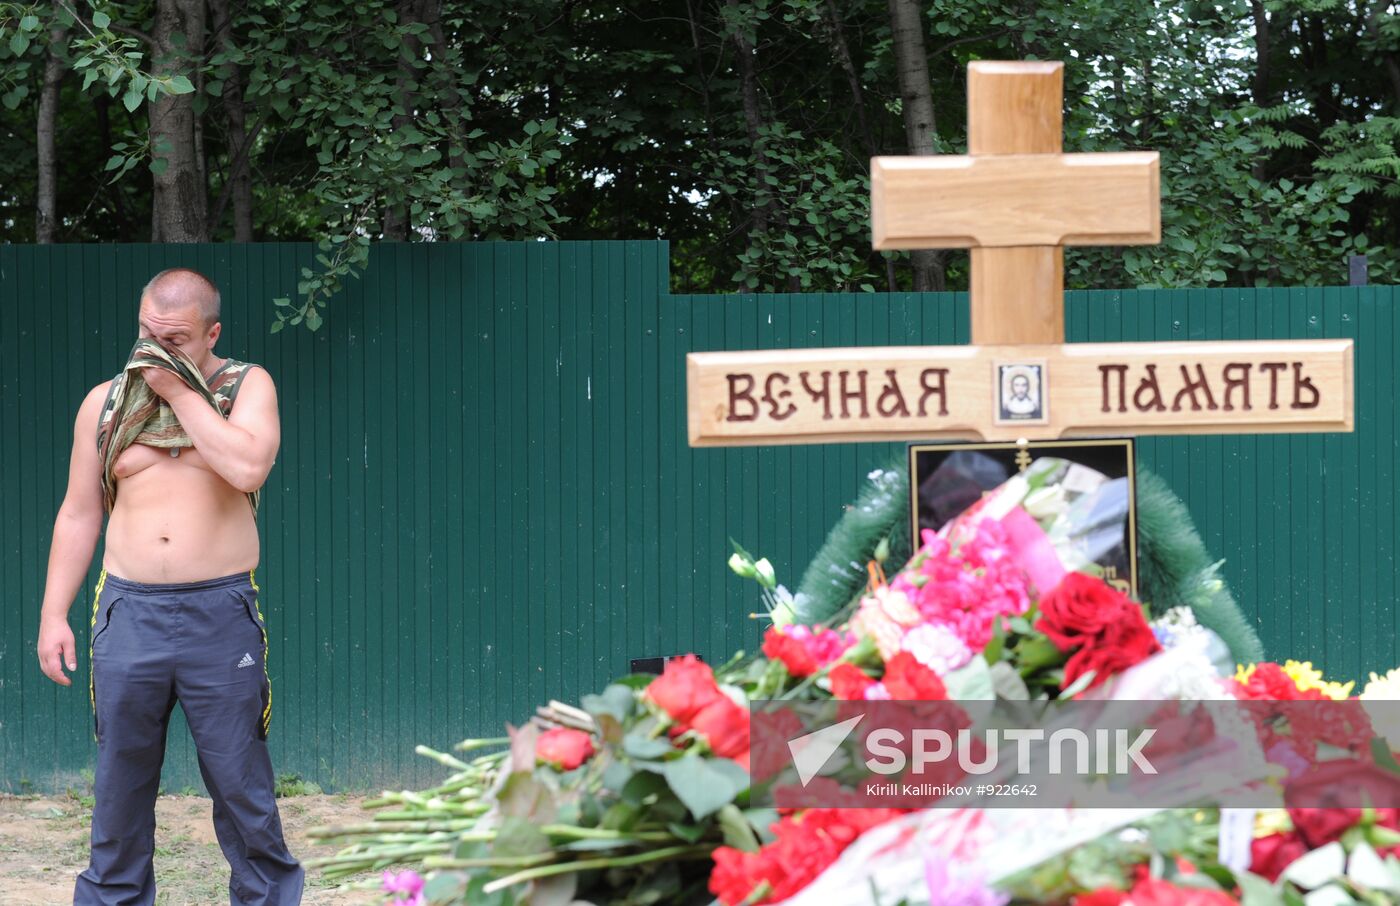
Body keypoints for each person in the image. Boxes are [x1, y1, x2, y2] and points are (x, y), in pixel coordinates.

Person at [35, 268, 304, 905]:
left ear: (212, 333)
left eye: (176, 339)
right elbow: (79, 512)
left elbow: (246, 465)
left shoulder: (246, 387)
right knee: (120, 785)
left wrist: (181, 391)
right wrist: (53, 614)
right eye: (147, 335)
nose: (156, 351)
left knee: (241, 783)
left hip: (220, 610)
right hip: (130, 612)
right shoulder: (105, 403)